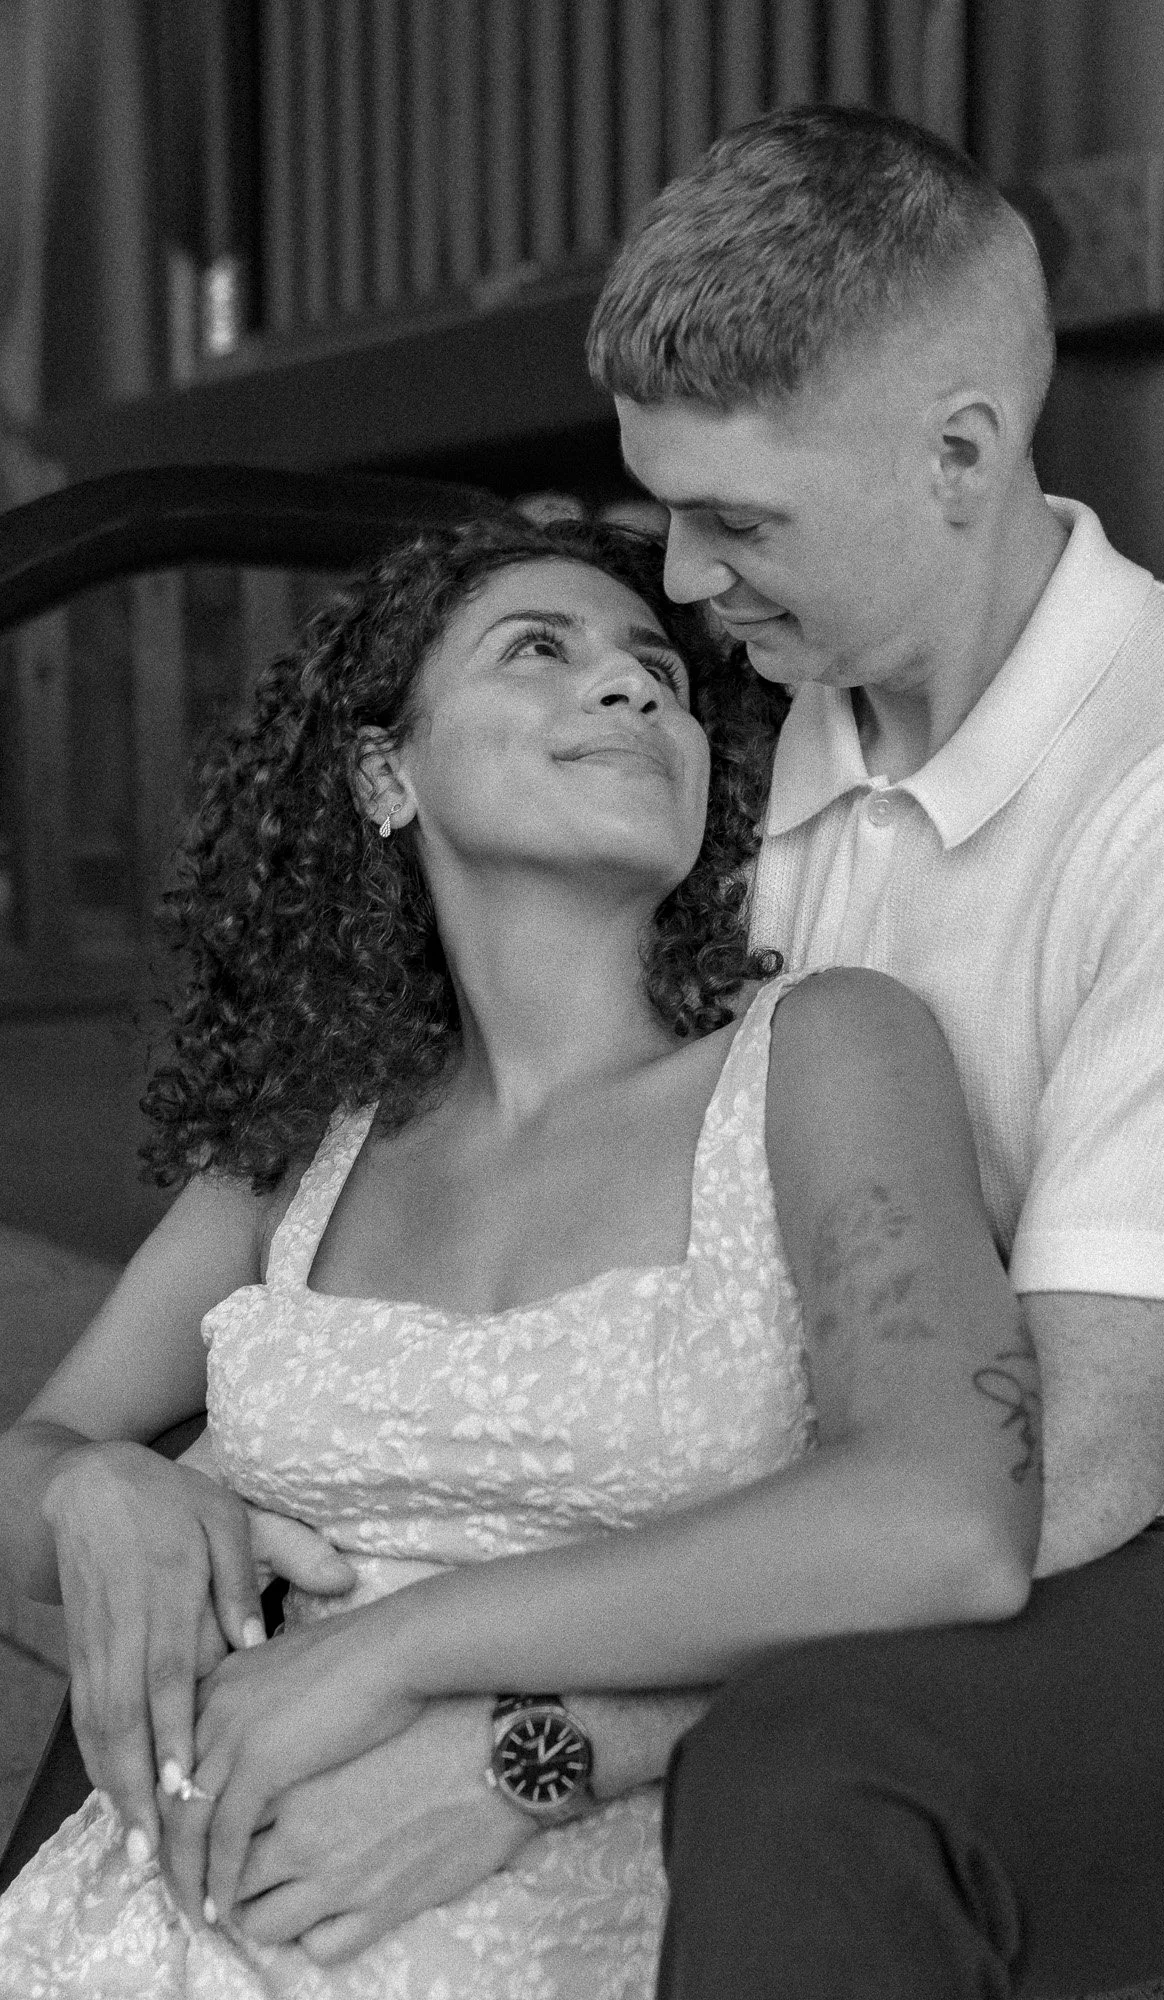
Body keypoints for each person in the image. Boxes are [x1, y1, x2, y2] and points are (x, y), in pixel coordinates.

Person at [0, 511, 1040, 1996]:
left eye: (658, 679)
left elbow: (951, 1517)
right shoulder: (309, 1138)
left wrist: (393, 1651)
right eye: (538, 651)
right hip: (148, 1920)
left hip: (582, 1906)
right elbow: (27, 1466)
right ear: (383, 775)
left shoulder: (823, 1053)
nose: (630, 691)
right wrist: (98, 1490)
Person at [578, 106, 1164, 1997]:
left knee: (824, 1774)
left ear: (961, 457)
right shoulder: (747, 734)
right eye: (664, 509)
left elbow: (1067, 1475)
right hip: (864, 1471)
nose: (676, 585)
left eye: (740, 521)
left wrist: (537, 1732)